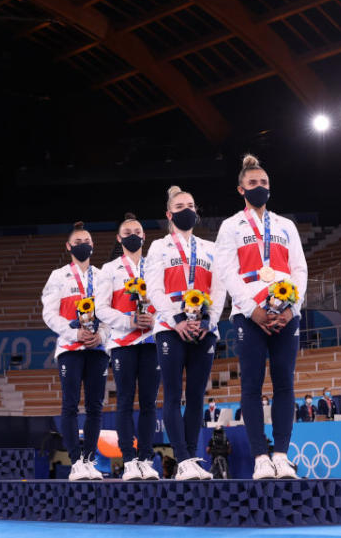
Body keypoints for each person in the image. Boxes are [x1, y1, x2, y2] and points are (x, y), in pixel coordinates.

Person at [215, 154, 307, 480]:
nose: (259, 187)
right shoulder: (230, 226)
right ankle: (260, 458)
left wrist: (289, 308)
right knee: (252, 385)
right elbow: (227, 271)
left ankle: (281, 455)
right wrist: (252, 308)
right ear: (241, 188)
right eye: (253, 183)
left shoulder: (286, 226)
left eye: (264, 183)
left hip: (285, 313)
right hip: (248, 314)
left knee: (285, 384)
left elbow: (298, 269)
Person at [147, 186, 226, 481]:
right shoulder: (159, 247)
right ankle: (182, 459)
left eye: (191, 205)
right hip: (170, 328)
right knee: (173, 396)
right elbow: (154, 288)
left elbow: (219, 290)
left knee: (196, 398)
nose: (187, 210)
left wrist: (208, 320)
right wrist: (178, 318)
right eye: (180, 206)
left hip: (204, 330)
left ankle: (191, 460)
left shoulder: (211, 248)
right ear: (169, 214)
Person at [41, 221, 108, 480]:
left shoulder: (103, 277)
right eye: (78, 242)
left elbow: (110, 315)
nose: (83, 245)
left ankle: (90, 460)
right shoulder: (58, 276)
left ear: (93, 245)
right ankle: (76, 462)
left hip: (98, 349)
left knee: (95, 407)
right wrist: (74, 333)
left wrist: (101, 334)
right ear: (69, 246)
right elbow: (49, 314)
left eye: (87, 241)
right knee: (70, 405)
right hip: (70, 348)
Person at [95, 214, 159, 481]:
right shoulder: (109, 270)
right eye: (128, 231)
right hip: (123, 343)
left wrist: (155, 319)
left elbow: (165, 301)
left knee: (148, 403)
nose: (133, 234)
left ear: (144, 237)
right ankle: (129, 461)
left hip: (152, 340)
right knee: (124, 401)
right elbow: (100, 308)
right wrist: (128, 320)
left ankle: (145, 458)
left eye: (138, 230)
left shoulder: (155, 266)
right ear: (119, 238)